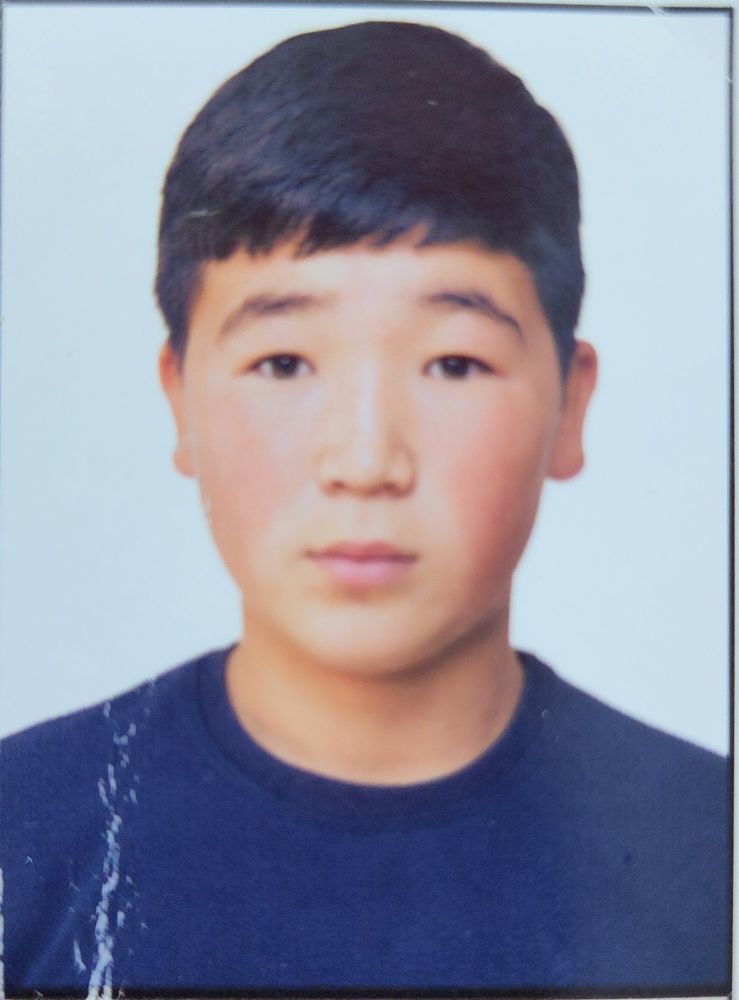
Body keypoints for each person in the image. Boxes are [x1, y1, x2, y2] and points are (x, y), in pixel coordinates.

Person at [1, 19, 728, 996]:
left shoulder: (709, 855)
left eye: (453, 363)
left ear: (569, 403)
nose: (364, 460)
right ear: (180, 401)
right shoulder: (24, 833)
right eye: (283, 362)